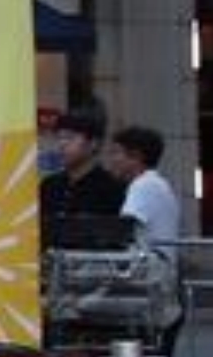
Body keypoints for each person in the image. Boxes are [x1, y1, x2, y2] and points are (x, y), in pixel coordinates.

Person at [39, 103, 128, 243]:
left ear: (93, 144)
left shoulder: (112, 188)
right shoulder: (49, 185)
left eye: (70, 138)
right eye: (59, 137)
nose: (62, 144)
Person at [104, 122, 186, 251]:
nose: (111, 160)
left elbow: (124, 229)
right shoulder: (156, 183)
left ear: (136, 156)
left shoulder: (143, 186)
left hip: (148, 262)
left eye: (116, 152)